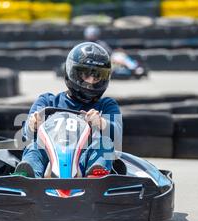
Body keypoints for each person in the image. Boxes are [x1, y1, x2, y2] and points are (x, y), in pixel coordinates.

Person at [15, 42, 122, 178]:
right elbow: (25, 136)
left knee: (104, 144)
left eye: (97, 76)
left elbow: (117, 136)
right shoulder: (47, 101)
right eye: (86, 74)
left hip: (84, 162)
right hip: (50, 162)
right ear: (73, 72)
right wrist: (32, 125)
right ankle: (28, 176)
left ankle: (96, 176)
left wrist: (101, 123)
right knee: (35, 147)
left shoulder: (106, 105)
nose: (91, 81)